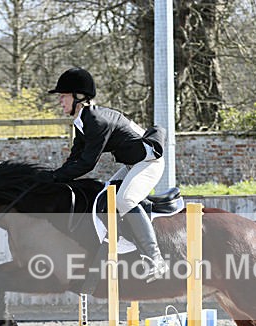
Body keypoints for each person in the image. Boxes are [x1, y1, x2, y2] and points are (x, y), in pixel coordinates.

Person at [48, 67, 169, 282]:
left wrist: (54, 178)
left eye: (63, 96)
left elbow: (87, 163)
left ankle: (155, 258)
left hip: (149, 163)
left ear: (79, 97)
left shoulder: (96, 120)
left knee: (125, 199)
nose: (60, 101)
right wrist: (53, 176)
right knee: (105, 196)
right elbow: (75, 157)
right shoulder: (83, 121)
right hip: (134, 163)